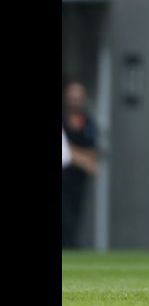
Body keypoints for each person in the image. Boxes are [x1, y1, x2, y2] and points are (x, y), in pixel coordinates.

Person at [62, 81, 100, 248]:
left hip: (77, 182)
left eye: (78, 98)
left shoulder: (88, 123)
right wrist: (80, 157)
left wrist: (69, 151)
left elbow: (92, 159)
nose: (74, 101)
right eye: (72, 97)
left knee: (74, 219)